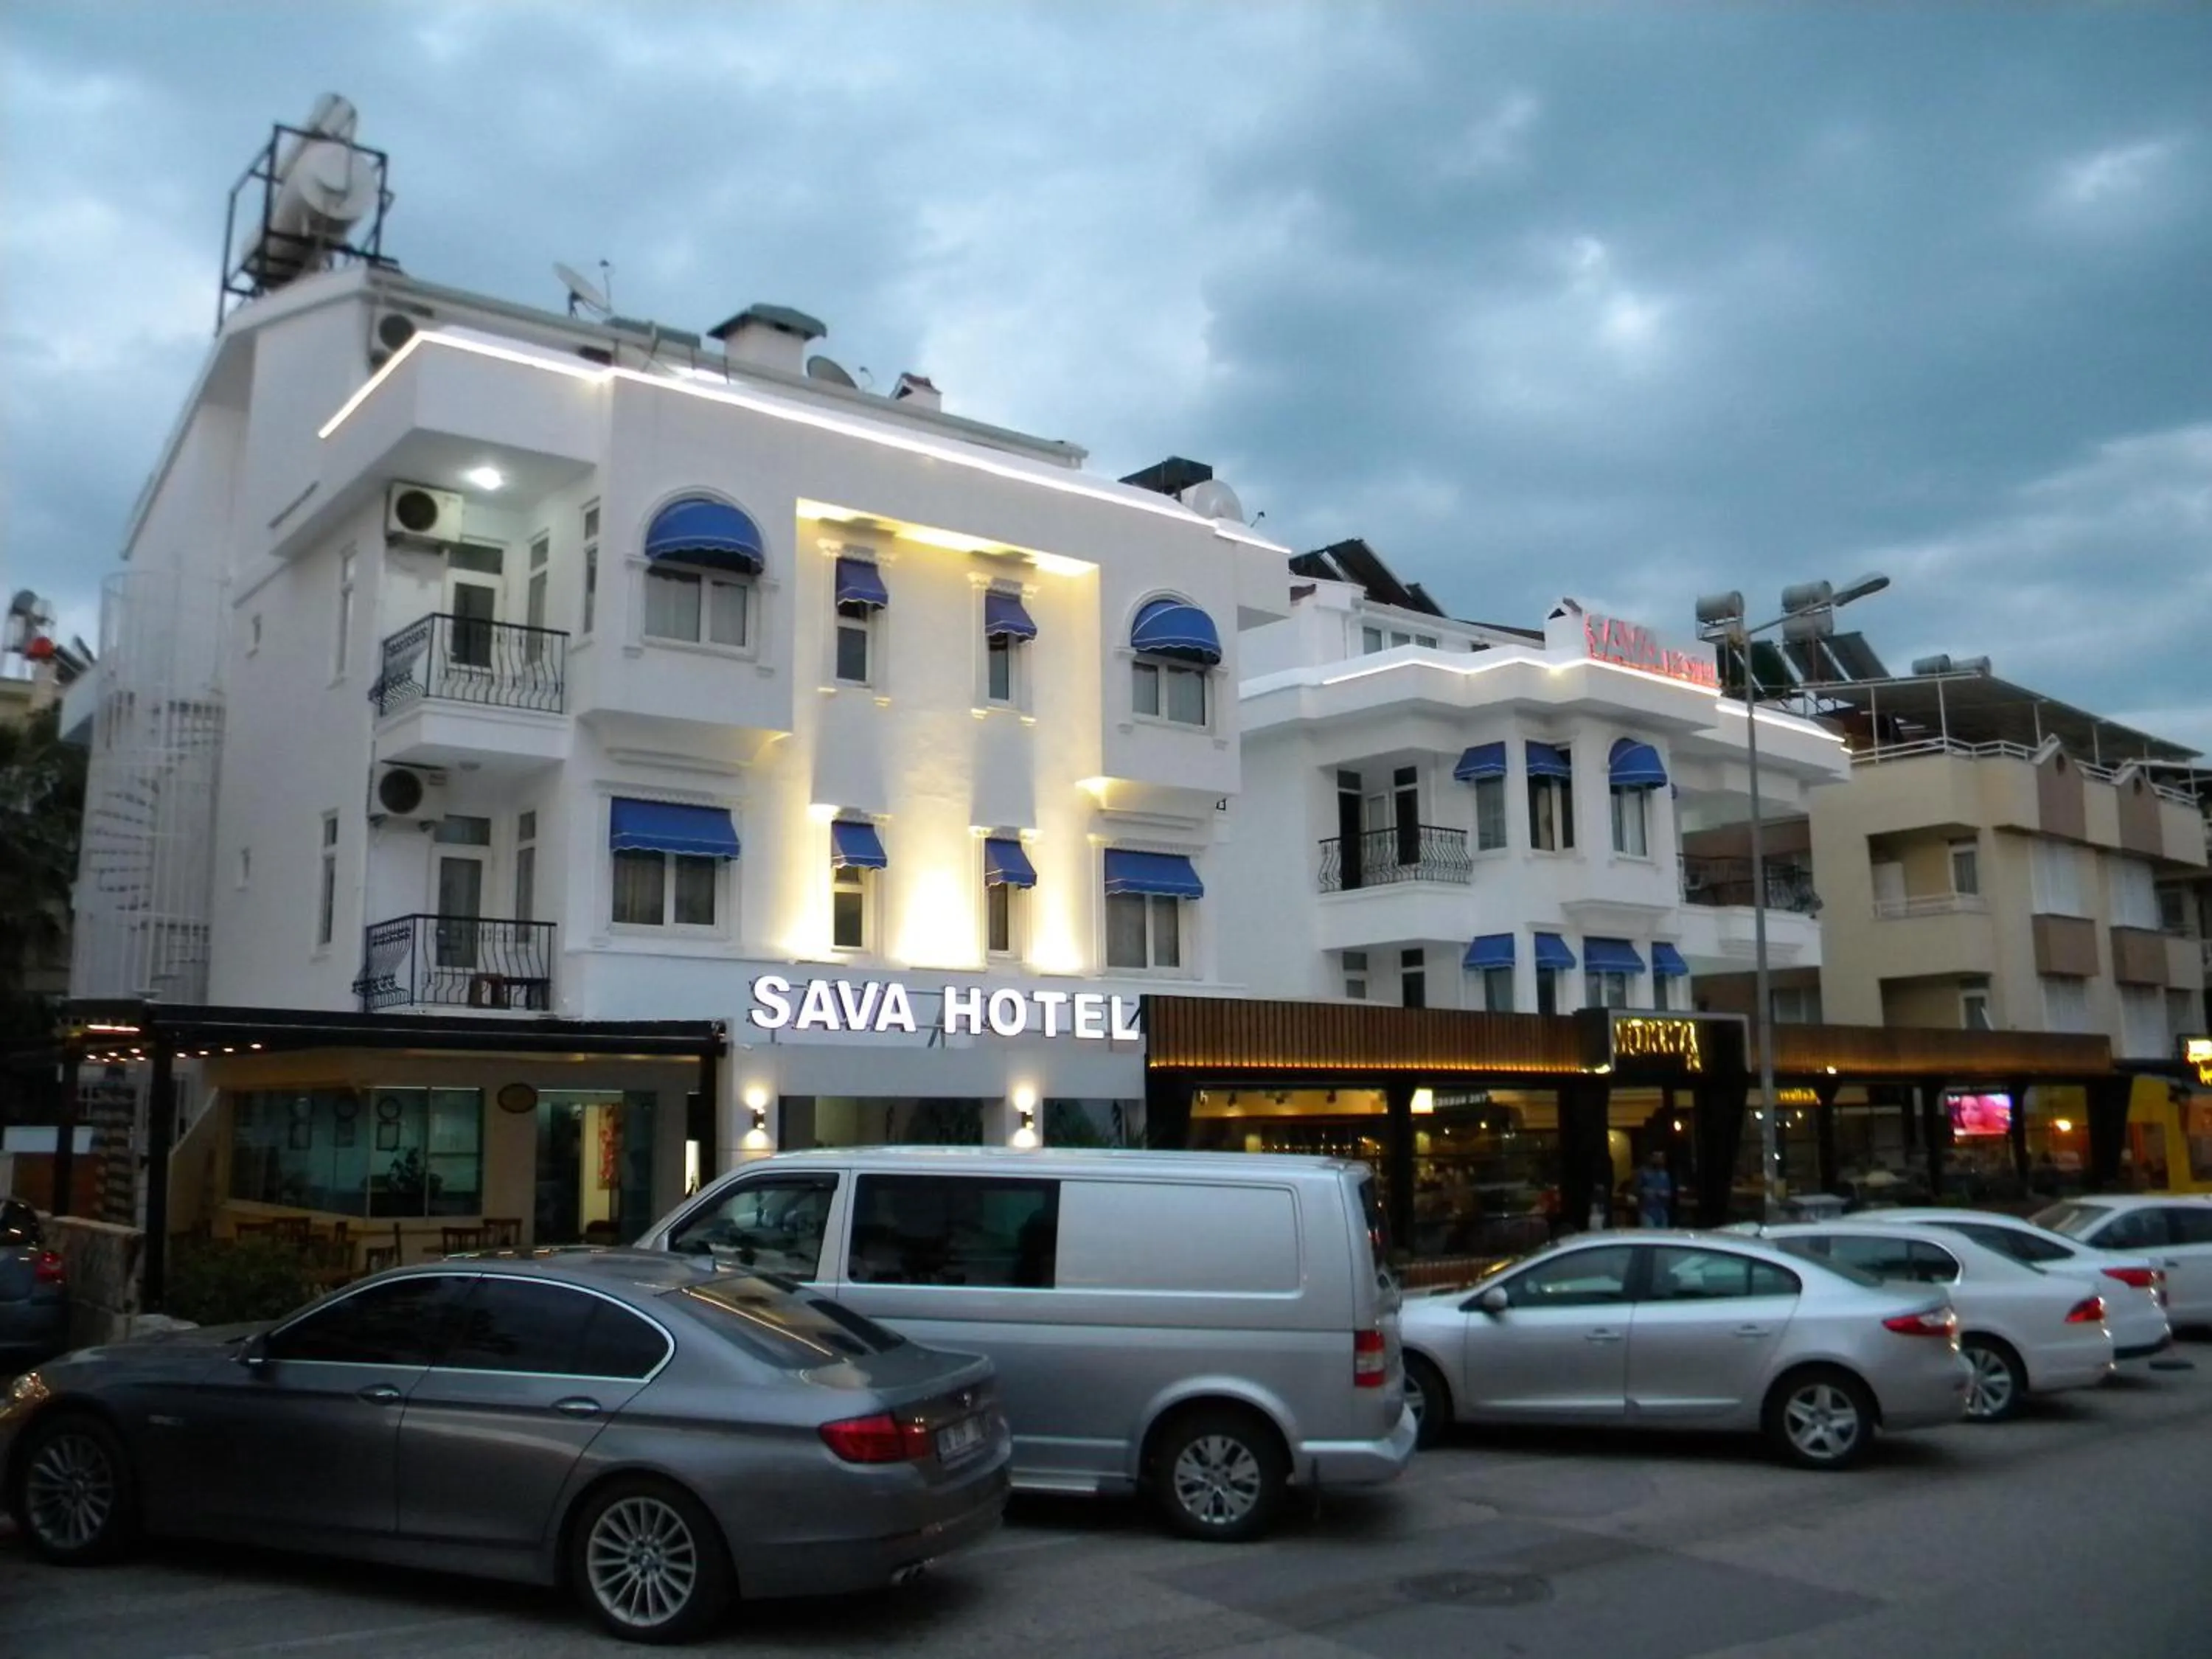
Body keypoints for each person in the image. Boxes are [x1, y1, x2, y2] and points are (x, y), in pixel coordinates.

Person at [1635, 1151, 1674, 1228]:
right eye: (1656, 1157)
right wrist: (1646, 1192)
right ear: (1651, 1158)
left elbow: (1670, 1193)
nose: (1659, 1160)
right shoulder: (1643, 1172)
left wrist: (1665, 1194)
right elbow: (1636, 1190)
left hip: (1662, 1211)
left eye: (1661, 1158)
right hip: (1647, 1211)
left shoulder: (1665, 1174)